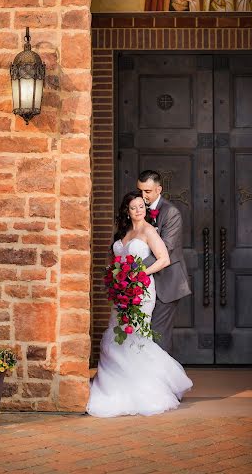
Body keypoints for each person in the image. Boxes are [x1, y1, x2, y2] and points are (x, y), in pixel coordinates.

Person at [87, 191, 192, 417]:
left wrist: (138, 274)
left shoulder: (149, 231)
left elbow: (163, 259)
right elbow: (115, 260)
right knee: (115, 332)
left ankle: (145, 386)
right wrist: (115, 278)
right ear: (127, 210)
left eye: (141, 207)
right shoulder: (124, 232)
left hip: (142, 290)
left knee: (134, 334)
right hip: (121, 290)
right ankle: (114, 384)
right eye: (133, 207)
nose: (138, 211)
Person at [137, 171, 191, 354]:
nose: (143, 196)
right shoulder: (138, 210)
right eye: (140, 191)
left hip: (166, 282)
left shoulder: (171, 212)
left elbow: (166, 248)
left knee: (158, 334)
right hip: (145, 285)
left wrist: (133, 269)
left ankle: (163, 382)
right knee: (142, 333)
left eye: (148, 191)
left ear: (159, 189)